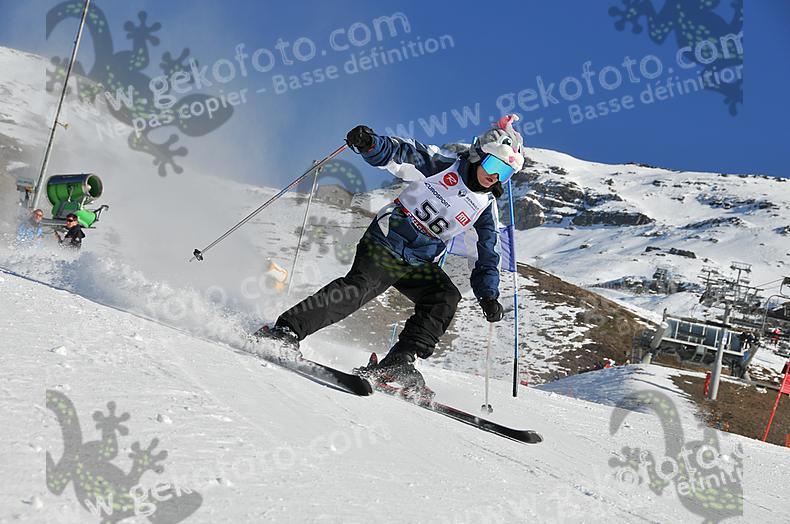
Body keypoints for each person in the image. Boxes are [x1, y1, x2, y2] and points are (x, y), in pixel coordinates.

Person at [256, 115, 527, 386]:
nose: (494, 176)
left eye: (504, 172)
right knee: (359, 288)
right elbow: (400, 152)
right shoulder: (442, 165)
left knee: (444, 297)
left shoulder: (484, 207)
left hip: (417, 261)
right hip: (386, 241)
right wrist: (370, 144)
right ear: (478, 155)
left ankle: (399, 361)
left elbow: (487, 254)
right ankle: (286, 330)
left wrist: (488, 294)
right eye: (493, 164)